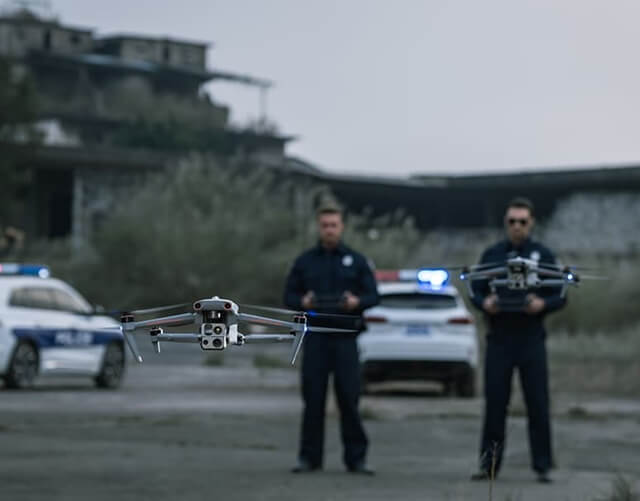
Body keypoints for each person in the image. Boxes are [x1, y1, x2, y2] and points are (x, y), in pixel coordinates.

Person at [470, 197, 566, 484]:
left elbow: (560, 293)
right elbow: (475, 289)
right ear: (506, 223)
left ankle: (542, 465)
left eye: (522, 222)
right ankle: (489, 466)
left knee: (538, 403)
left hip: (530, 339)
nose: (517, 227)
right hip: (499, 339)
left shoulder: (543, 255)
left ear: (531, 222)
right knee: (495, 404)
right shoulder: (492, 255)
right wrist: (484, 303)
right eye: (512, 221)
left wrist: (543, 304)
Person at [283, 202, 379, 475]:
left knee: (349, 399)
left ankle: (356, 459)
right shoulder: (305, 262)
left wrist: (356, 302)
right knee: (313, 399)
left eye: (334, 225)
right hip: (316, 338)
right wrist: (302, 301)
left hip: (345, 338)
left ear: (342, 227)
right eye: (325, 225)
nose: (329, 230)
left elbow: (374, 296)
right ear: (319, 227)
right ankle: (309, 458)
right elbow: (288, 296)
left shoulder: (356, 261)